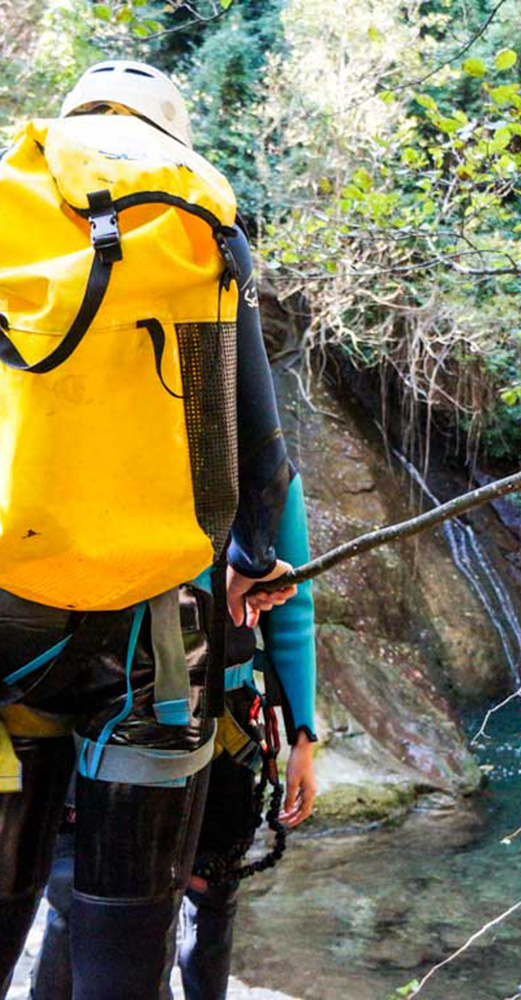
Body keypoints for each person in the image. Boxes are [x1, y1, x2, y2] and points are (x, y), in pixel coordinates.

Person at [0, 61, 297, 1000]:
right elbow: (257, 438)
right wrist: (253, 558)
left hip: (7, 604)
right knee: (124, 958)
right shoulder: (201, 216)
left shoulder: (14, 186)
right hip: (155, 630)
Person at [30, 469, 318, 1000]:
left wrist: (304, 736)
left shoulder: (265, 471)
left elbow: (293, 609)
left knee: (208, 888)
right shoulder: (101, 446)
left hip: (221, 716)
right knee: (75, 887)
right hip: (104, 705)